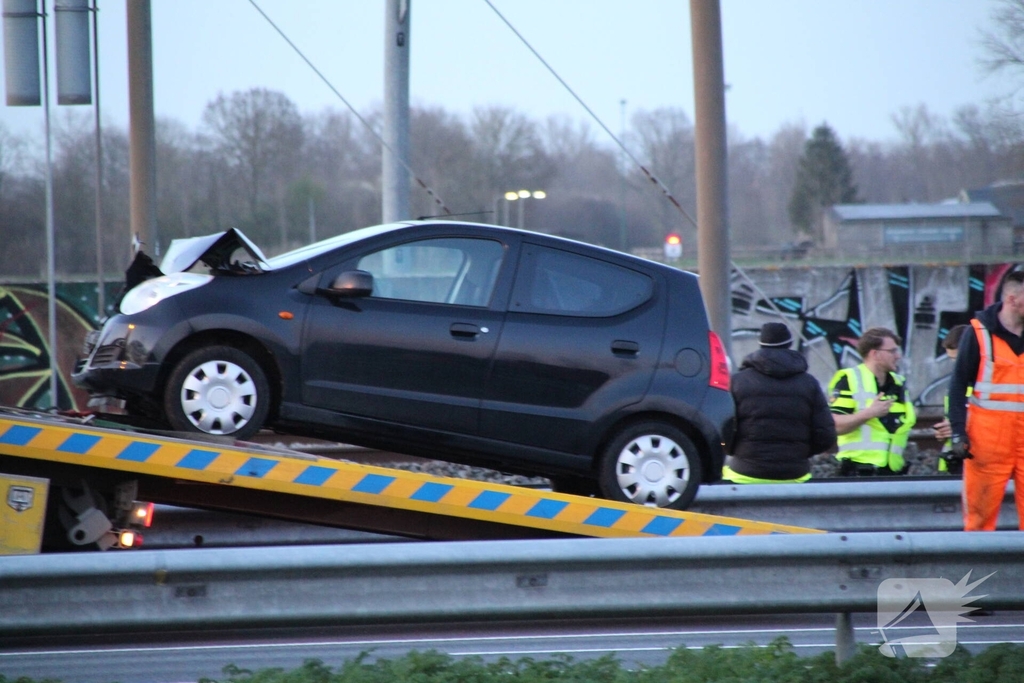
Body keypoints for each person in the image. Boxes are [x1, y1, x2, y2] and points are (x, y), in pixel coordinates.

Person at [948, 269, 1024, 531]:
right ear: (1013, 300)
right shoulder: (978, 334)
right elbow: (957, 386)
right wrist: (958, 434)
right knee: (979, 522)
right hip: (987, 445)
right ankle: (979, 571)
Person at [722, 322, 837, 483]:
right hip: (795, 475)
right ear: (790, 344)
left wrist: (736, 452)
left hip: (744, 474)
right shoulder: (809, 383)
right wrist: (800, 453)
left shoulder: (738, 382)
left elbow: (724, 429)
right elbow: (826, 435)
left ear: (760, 344)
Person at [828, 327, 916, 476]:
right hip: (858, 474)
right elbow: (834, 426)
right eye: (892, 351)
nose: (898, 356)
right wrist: (868, 414)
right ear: (875, 354)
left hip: (893, 473)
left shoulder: (898, 383)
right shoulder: (849, 379)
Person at [932, 323, 970, 475]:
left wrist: (958, 427)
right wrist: (945, 432)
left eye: (958, 358)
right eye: (951, 359)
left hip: (977, 464)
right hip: (956, 464)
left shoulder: (990, 381)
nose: (955, 365)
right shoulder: (958, 383)